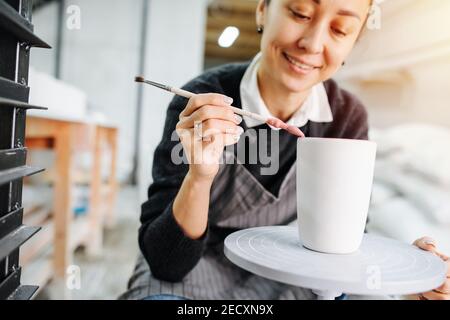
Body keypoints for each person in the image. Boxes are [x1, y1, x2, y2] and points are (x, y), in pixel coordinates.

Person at [121, 0, 449, 300]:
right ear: (263, 9)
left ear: (354, 40)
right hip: (192, 270)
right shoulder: (201, 99)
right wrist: (200, 177)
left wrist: (405, 278)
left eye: (340, 29)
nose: (312, 43)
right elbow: (167, 264)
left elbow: (342, 249)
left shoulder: (347, 116)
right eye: (300, 13)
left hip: (287, 271)